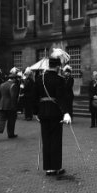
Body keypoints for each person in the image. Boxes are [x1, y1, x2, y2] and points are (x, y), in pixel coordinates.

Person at [33, 48, 72, 176]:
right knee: (55, 140)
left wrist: (36, 112)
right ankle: (56, 167)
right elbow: (61, 98)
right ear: (58, 67)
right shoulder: (59, 79)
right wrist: (66, 112)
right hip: (55, 113)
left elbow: (36, 97)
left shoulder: (39, 79)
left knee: (46, 139)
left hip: (43, 112)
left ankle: (48, 168)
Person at [0, 69, 20, 141]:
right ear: (13, 79)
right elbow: (13, 97)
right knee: (11, 120)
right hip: (10, 106)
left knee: (2, 120)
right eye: (16, 78)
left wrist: (0, 103)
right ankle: (11, 134)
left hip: (2, 105)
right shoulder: (13, 85)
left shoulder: (2, 84)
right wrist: (15, 106)